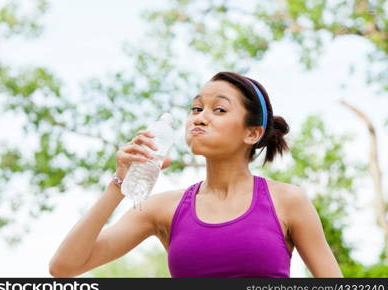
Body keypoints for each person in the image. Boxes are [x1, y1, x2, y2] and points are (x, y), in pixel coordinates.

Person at [49, 71, 343, 278]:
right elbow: (64, 267)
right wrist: (119, 184)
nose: (199, 117)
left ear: (252, 133)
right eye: (196, 107)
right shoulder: (162, 209)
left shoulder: (288, 201)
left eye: (218, 109)